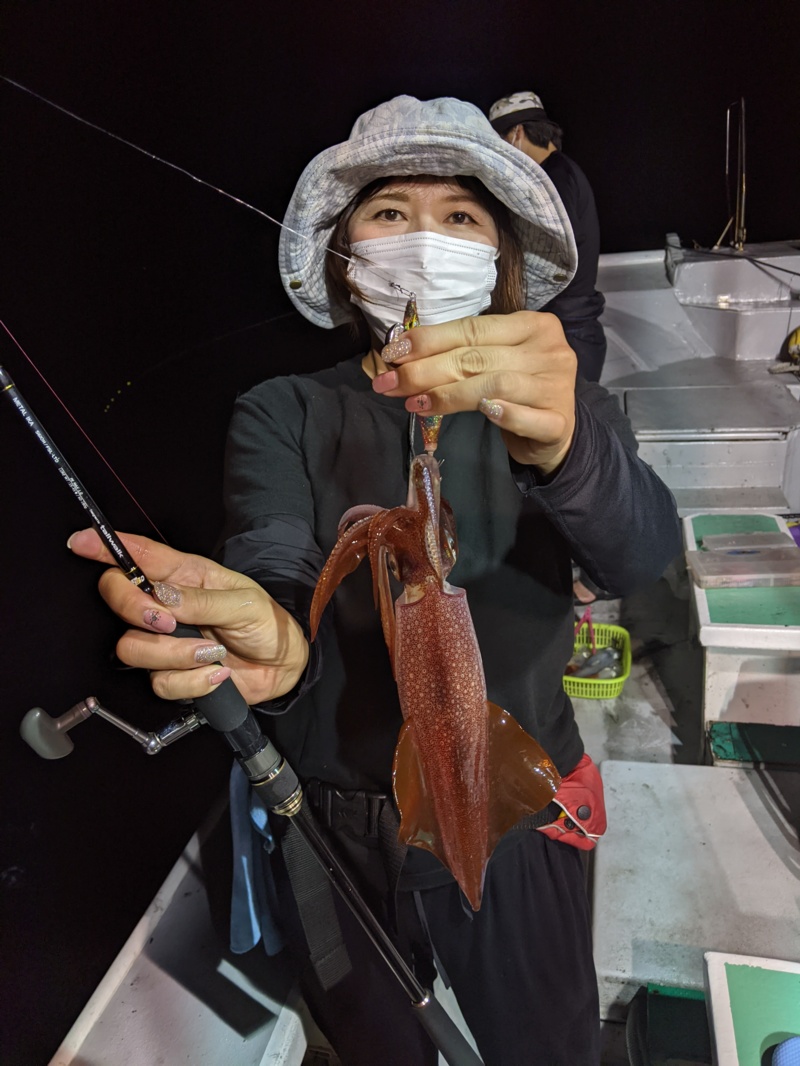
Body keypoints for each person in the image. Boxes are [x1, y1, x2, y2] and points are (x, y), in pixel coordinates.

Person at [68, 96, 682, 1065]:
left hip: (514, 809)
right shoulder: (284, 410)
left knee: (550, 1045)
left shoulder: (560, 408)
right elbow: (274, 559)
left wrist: (567, 452)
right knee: (376, 1049)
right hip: (336, 836)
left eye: (461, 215)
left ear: (500, 258)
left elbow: (641, 556)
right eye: (390, 212)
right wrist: (276, 641)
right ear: (346, 255)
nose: (424, 238)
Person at [489, 90, 608, 383]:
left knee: (572, 411)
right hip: (574, 327)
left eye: (500, 140)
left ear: (517, 132)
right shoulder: (562, 170)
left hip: (568, 331)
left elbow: (552, 251)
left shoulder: (552, 176)